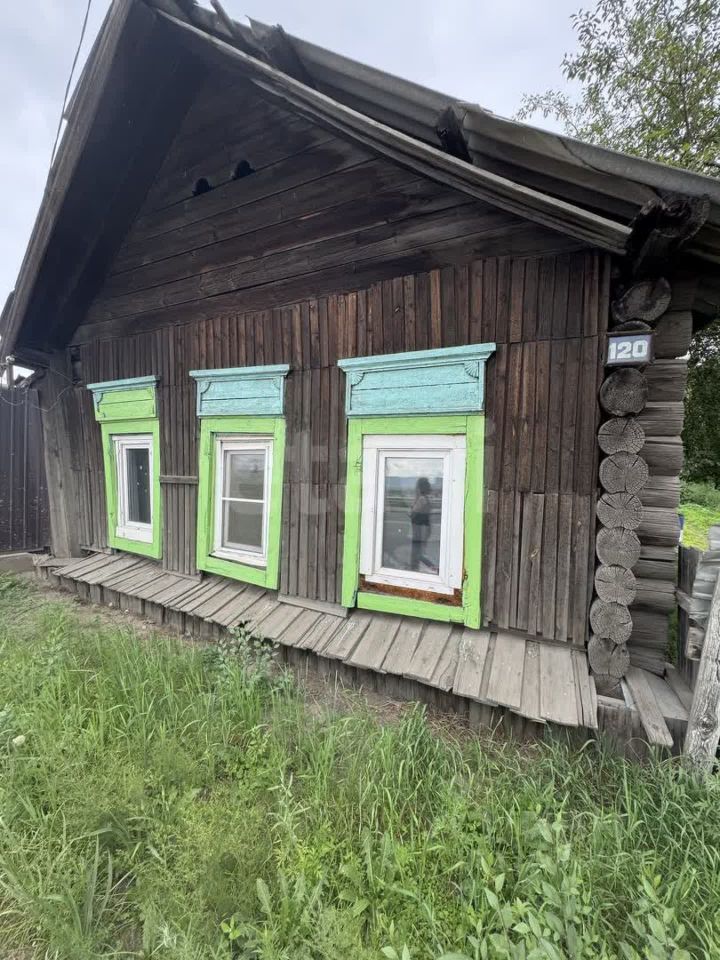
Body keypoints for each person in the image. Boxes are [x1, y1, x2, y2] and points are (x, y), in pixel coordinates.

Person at [410, 477, 438, 573]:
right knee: (419, 552)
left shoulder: (422, 499)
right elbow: (416, 514)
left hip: (420, 530)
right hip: (423, 530)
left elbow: (413, 514)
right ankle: (429, 568)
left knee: (417, 552)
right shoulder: (424, 499)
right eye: (428, 485)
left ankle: (417, 568)